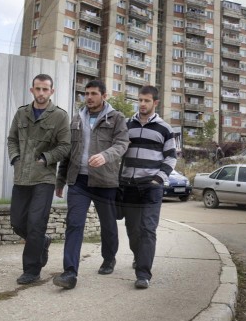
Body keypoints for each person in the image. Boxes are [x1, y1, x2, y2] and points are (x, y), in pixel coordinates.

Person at [53, 80, 129, 290]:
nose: (89, 97)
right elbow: (68, 151)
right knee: (74, 223)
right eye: (86, 93)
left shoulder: (117, 118)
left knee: (108, 224)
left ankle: (109, 257)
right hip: (79, 181)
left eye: (94, 93)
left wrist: (106, 156)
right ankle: (70, 272)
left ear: (104, 96)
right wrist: (61, 180)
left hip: (105, 181)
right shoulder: (77, 118)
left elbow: (122, 144)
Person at [7, 74, 71, 285]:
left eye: (45, 89)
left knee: (36, 224)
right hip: (21, 177)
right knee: (17, 222)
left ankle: (32, 270)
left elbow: (65, 146)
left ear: (51, 91)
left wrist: (46, 158)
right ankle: (42, 242)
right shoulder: (21, 113)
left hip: (44, 178)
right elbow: (12, 139)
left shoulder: (59, 116)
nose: (41, 93)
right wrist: (15, 158)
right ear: (31, 89)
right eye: (38, 89)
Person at [120, 85, 177, 289]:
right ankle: (138, 256)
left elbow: (171, 158)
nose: (142, 104)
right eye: (140, 100)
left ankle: (143, 274)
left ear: (155, 103)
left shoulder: (165, 129)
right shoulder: (127, 125)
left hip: (151, 187)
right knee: (132, 229)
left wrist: (158, 179)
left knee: (147, 229)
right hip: (129, 186)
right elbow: (118, 151)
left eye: (146, 100)